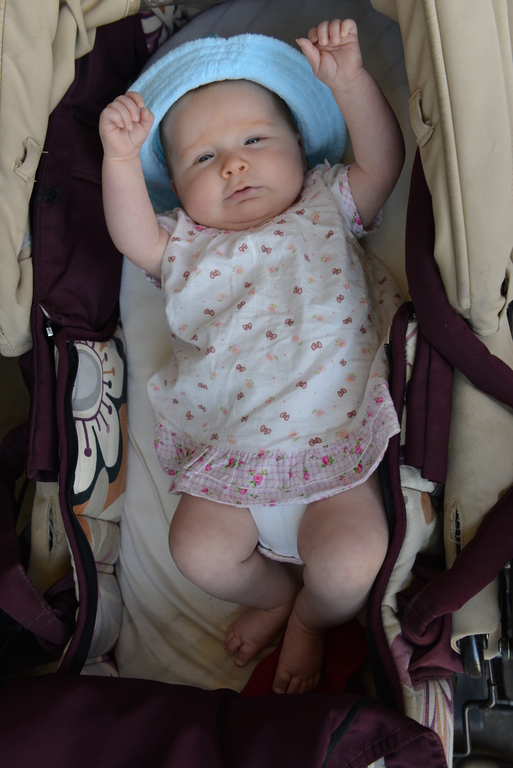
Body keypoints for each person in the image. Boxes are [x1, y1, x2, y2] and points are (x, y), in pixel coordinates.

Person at [99, 19, 405, 695]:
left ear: (300, 148)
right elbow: (131, 236)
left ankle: (309, 617)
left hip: (335, 449)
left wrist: (350, 83)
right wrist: (120, 160)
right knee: (196, 552)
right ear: (176, 190)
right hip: (231, 459)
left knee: (350, 562)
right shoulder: (183, 244)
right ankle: (272, 594)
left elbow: (383, 162)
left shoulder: (327, 202)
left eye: (254, 141)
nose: (232, 165)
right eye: (203, 158)